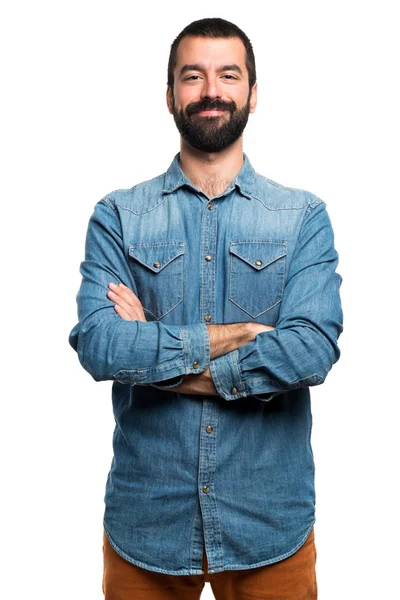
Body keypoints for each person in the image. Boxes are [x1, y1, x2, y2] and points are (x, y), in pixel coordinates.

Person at [69, 17, 343, 600]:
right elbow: (99, 345)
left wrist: (158, 356)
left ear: (252, 92)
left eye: (228, 74)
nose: (210, 90)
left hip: (271, 525)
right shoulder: (118, 215)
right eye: (192, 76)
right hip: (147, 523)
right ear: (170, 95)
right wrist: (238, 336)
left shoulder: (302, 218)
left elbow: (312, 350)